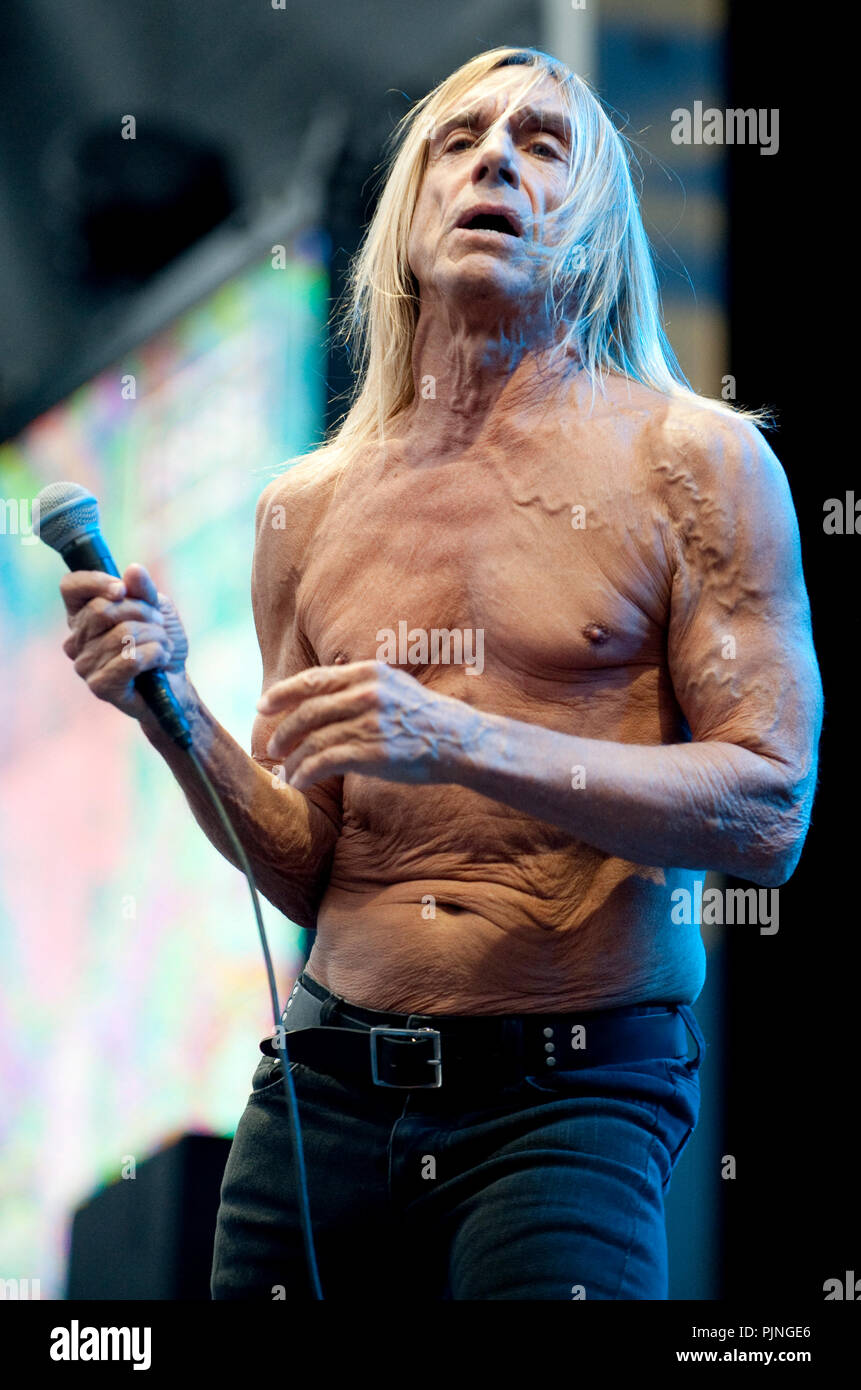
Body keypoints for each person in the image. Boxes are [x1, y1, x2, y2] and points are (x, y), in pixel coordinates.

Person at [58, 46, 822, 1300]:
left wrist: (460, 740)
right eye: (461, 141)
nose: (496, 161)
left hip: (565, 1098)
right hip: (324, 1096)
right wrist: (172, 708)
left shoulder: (698, 462)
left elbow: (768, 810)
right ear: (409, 213)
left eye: (542, 143)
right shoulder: (305, 511)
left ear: (597, 224)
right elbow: (312, 865)